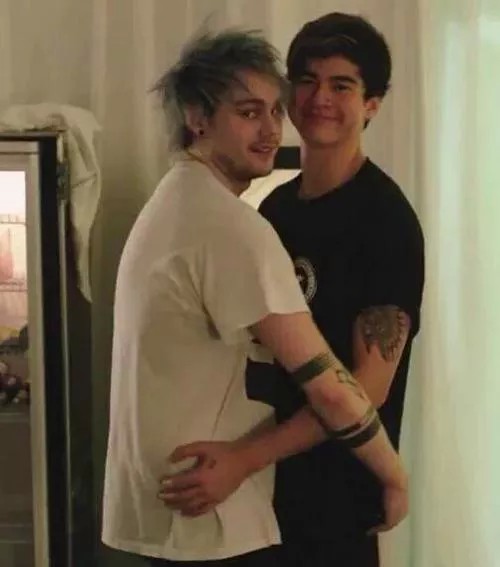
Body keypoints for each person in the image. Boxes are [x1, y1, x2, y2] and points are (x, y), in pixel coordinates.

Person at [102, 28, 408, 567]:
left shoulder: (383, 219)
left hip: (300, 496)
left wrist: (249, 458)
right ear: (198, 118)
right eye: (249, 113)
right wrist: (399, 477)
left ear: (372, 105)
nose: (271, 129)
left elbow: (366, 385)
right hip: (211, 502)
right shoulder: (246, 219)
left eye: (273, 111)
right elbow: (333, 391)